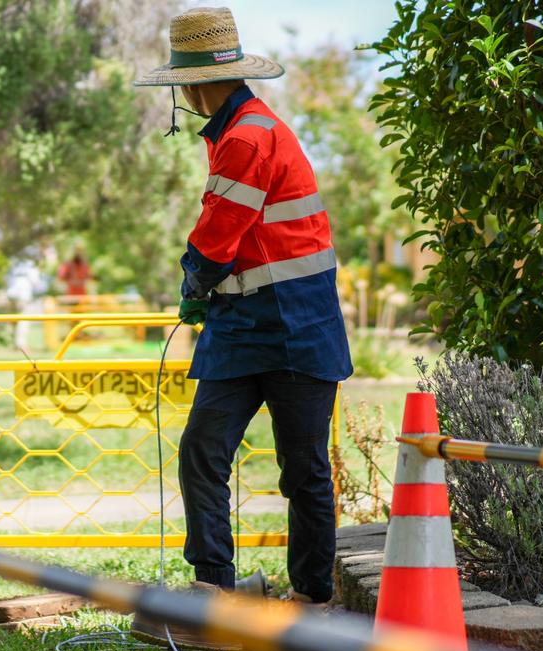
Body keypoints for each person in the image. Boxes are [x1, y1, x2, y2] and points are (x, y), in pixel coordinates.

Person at [134, 7, 352, 608]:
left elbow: (216, 235)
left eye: (182, 86)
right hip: (245, 324)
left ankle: (310, 597)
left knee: (303, 469)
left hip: (297, 323)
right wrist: (208, 289)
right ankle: (213, 590)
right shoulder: (237, 132)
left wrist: (192, 284)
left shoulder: (249, 135)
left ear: (197, 84)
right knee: (204, 450)